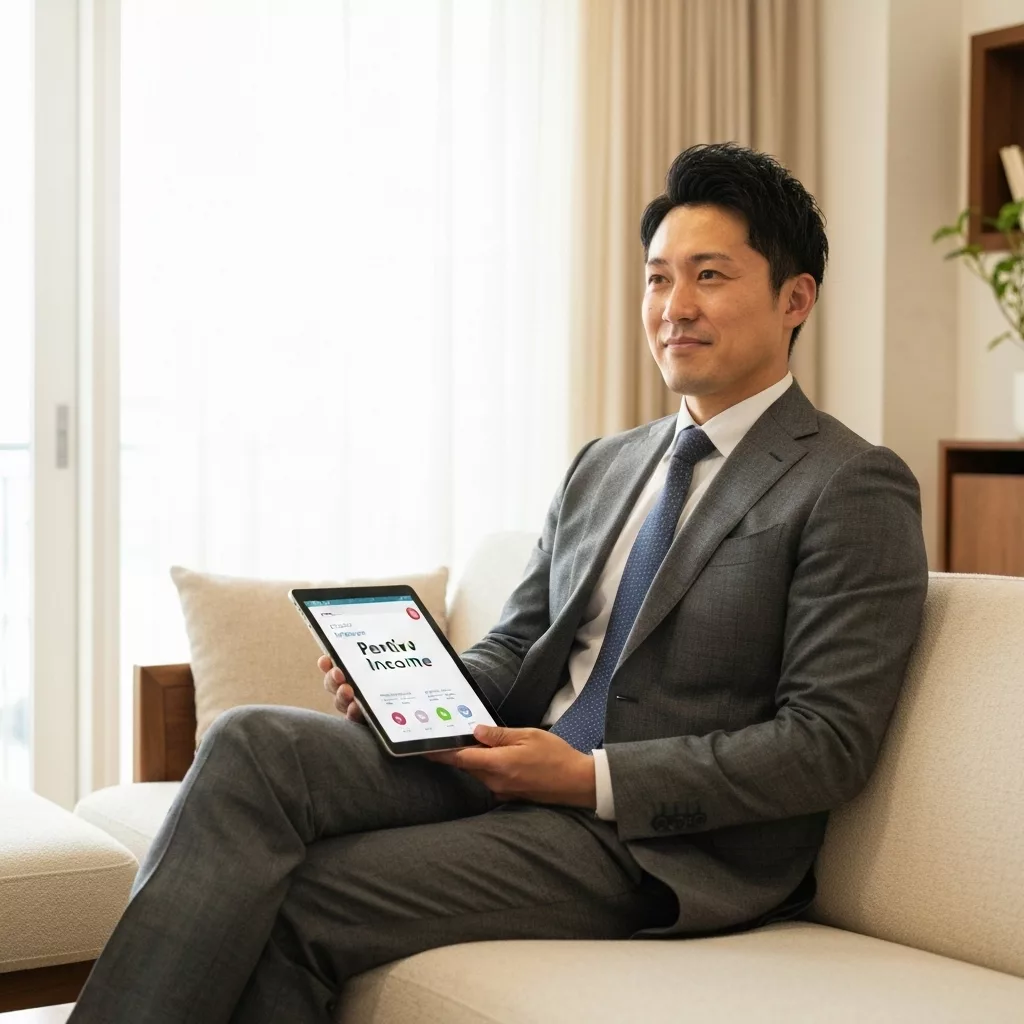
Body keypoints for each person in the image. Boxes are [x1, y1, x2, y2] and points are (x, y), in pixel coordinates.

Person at [70, 142, 928, 1023]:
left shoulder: (849, 483)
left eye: (709, 276)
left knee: (305, 893)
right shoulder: (608, 463)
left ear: (796, 299)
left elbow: (825, 744)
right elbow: (520, 643)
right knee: (254, 741)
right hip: (506, 759)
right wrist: (414, 690)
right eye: (657, 278)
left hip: (652, 843)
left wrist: (589, 777)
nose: (674, 308)